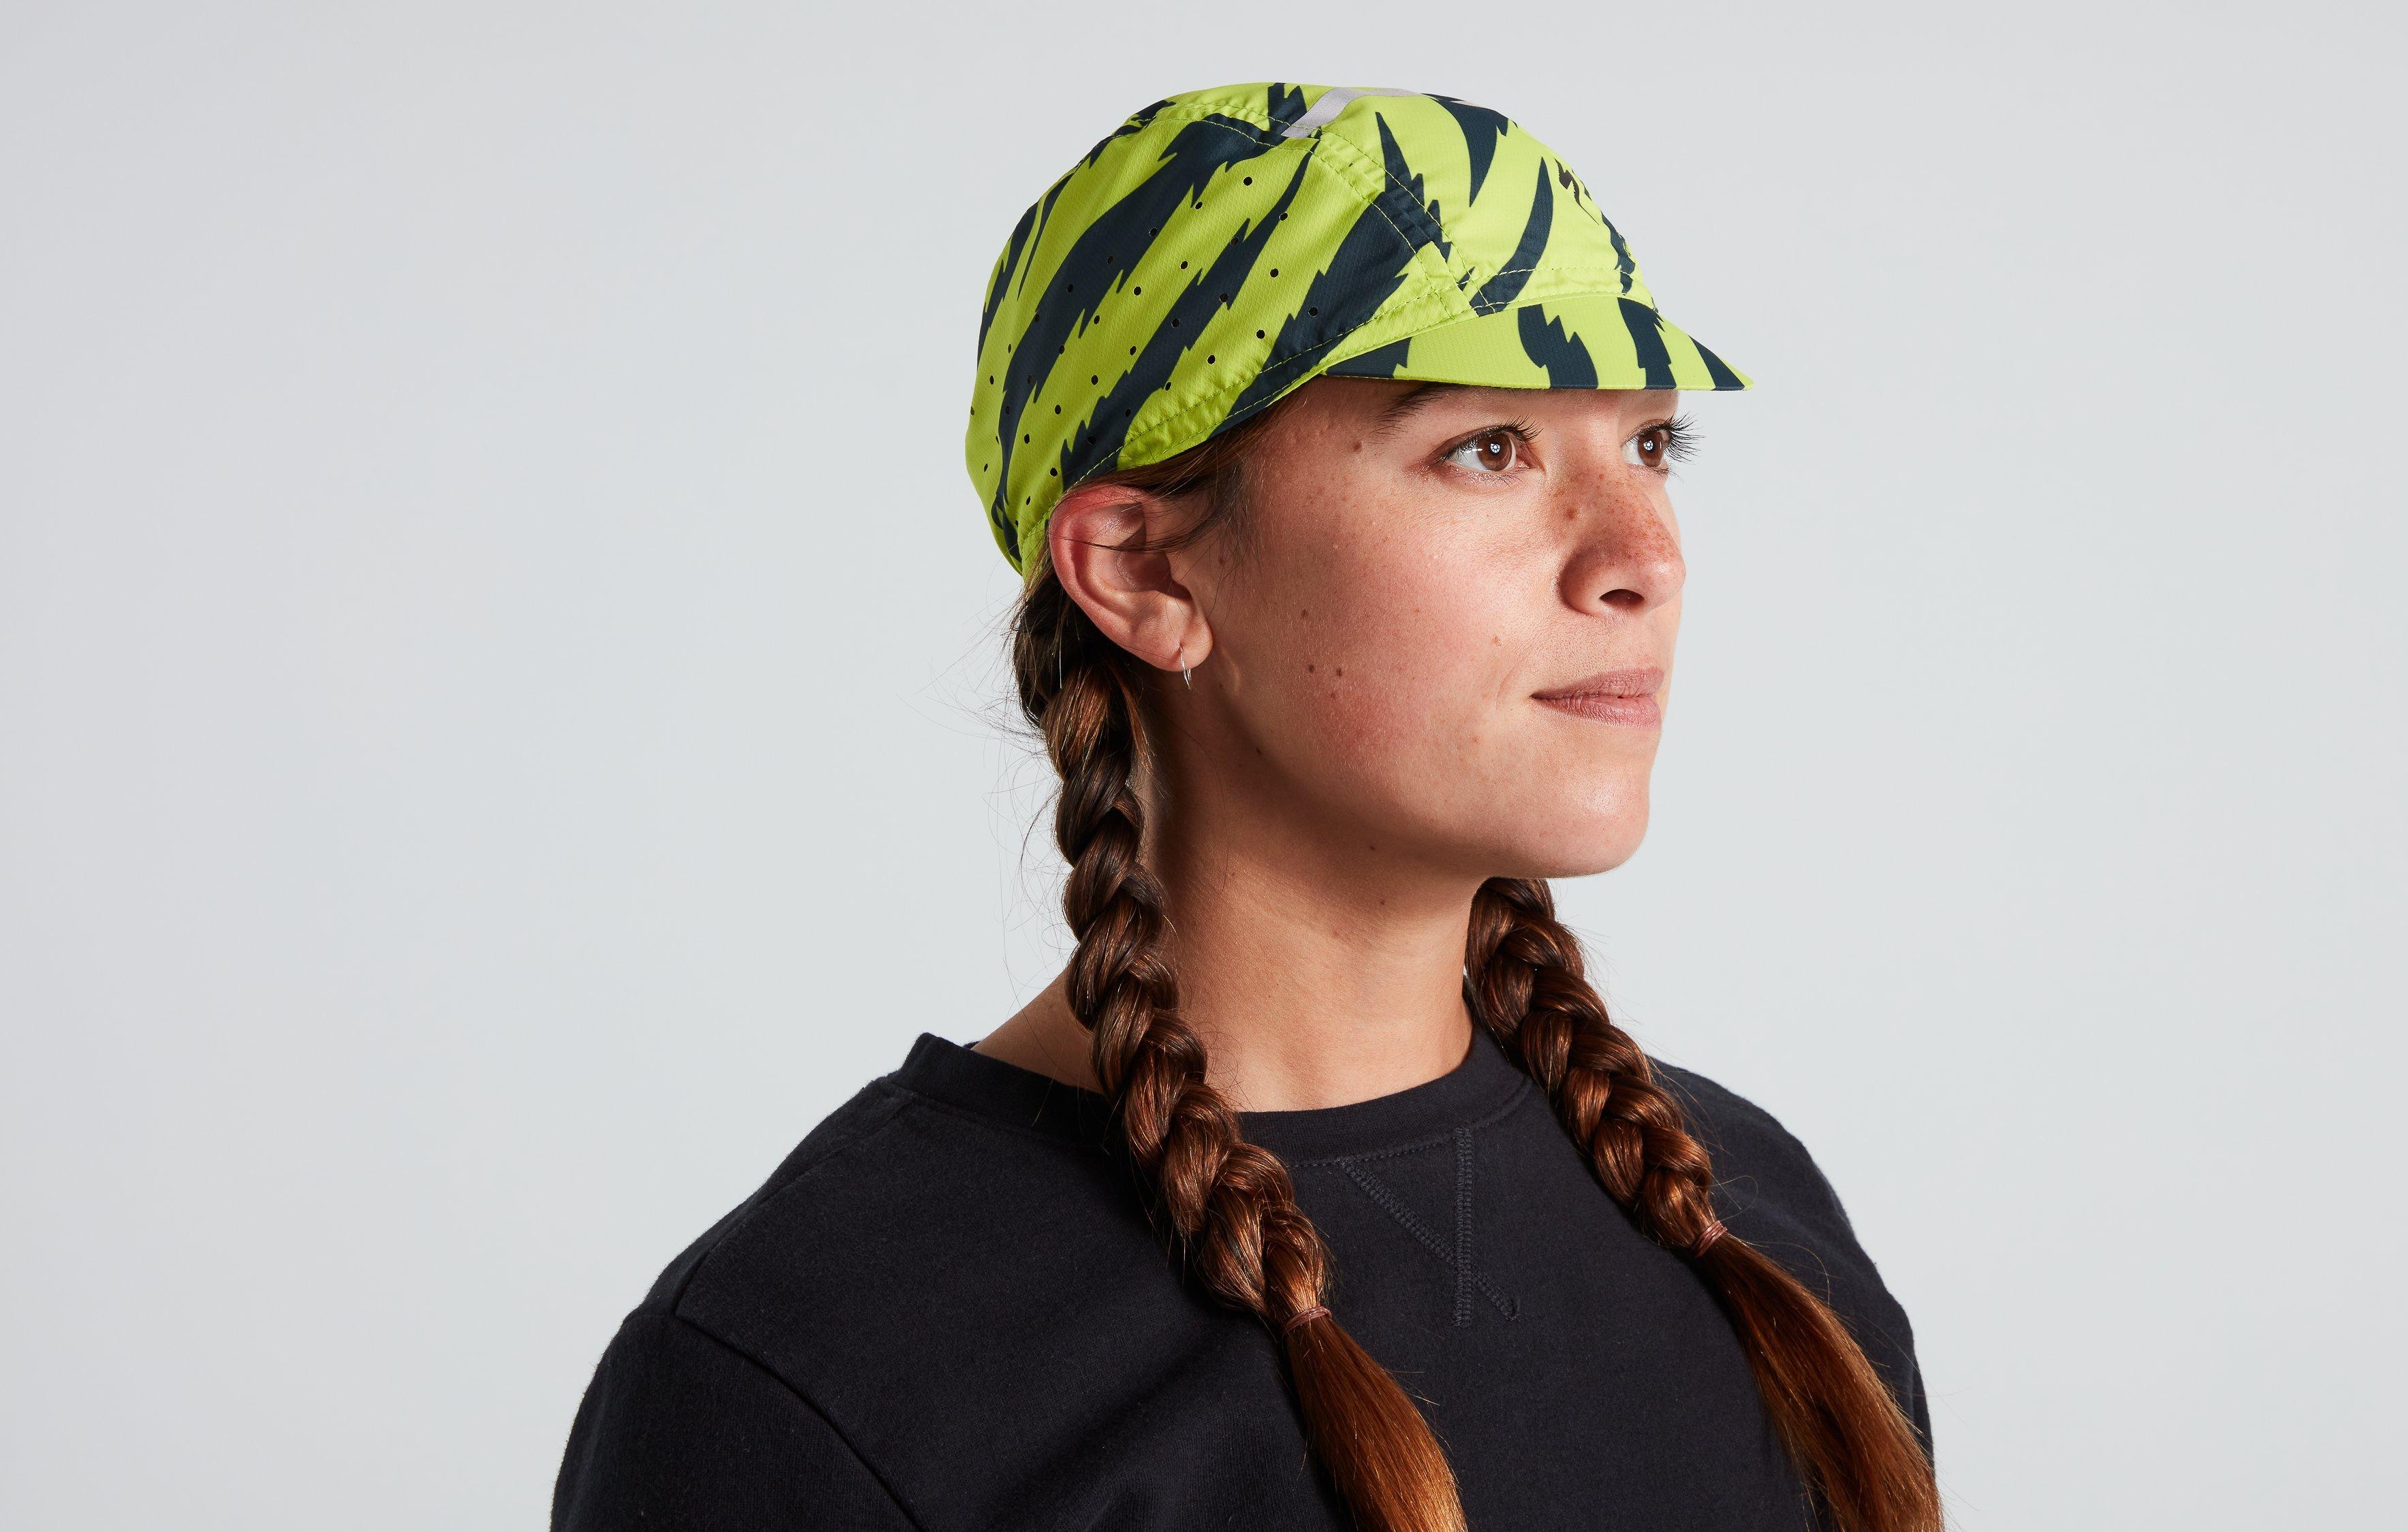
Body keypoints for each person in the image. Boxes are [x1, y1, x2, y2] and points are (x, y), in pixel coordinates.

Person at [552, 82, 1939, 1532]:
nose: (1643, 558)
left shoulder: (1748, 1225)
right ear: (1142, 571)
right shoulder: (816, 1372)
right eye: (1488, 447)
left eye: (1652, 445)